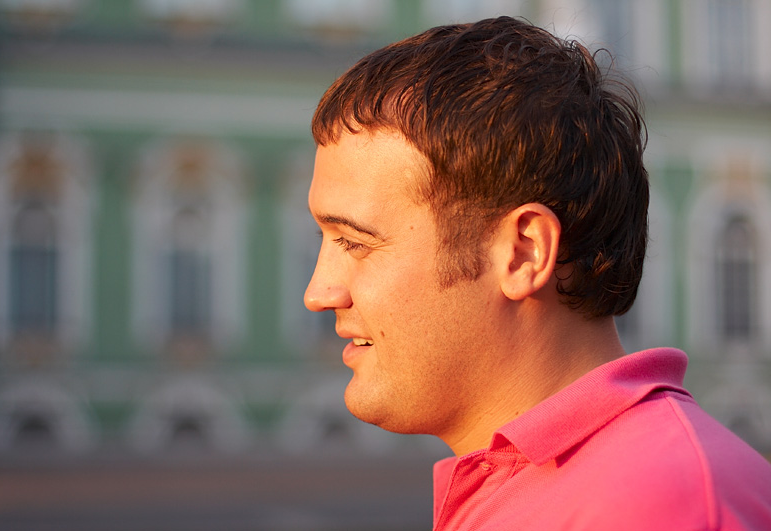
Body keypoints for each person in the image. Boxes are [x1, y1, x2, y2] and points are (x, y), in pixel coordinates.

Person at [303, 15, 771, 530]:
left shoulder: (658, 505)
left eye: (355, 242)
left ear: (524, 253)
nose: (319, 292)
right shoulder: (552, 483)